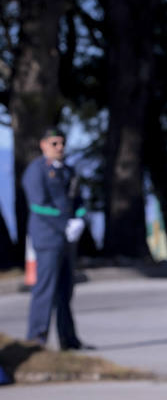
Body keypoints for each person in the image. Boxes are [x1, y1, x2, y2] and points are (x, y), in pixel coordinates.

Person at [23, 127, 90, 350]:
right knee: (45, 288)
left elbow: (77, 199)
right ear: (43, 145)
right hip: (48, 238)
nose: (59, 147)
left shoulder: (68, 171)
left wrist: (79, 219)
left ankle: (68, 339)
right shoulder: (36, 170)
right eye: (54, 143)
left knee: (66, 290)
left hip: (67, 240)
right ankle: (36, 338)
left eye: (62, 143)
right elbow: (38, 206)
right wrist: (65, 224)